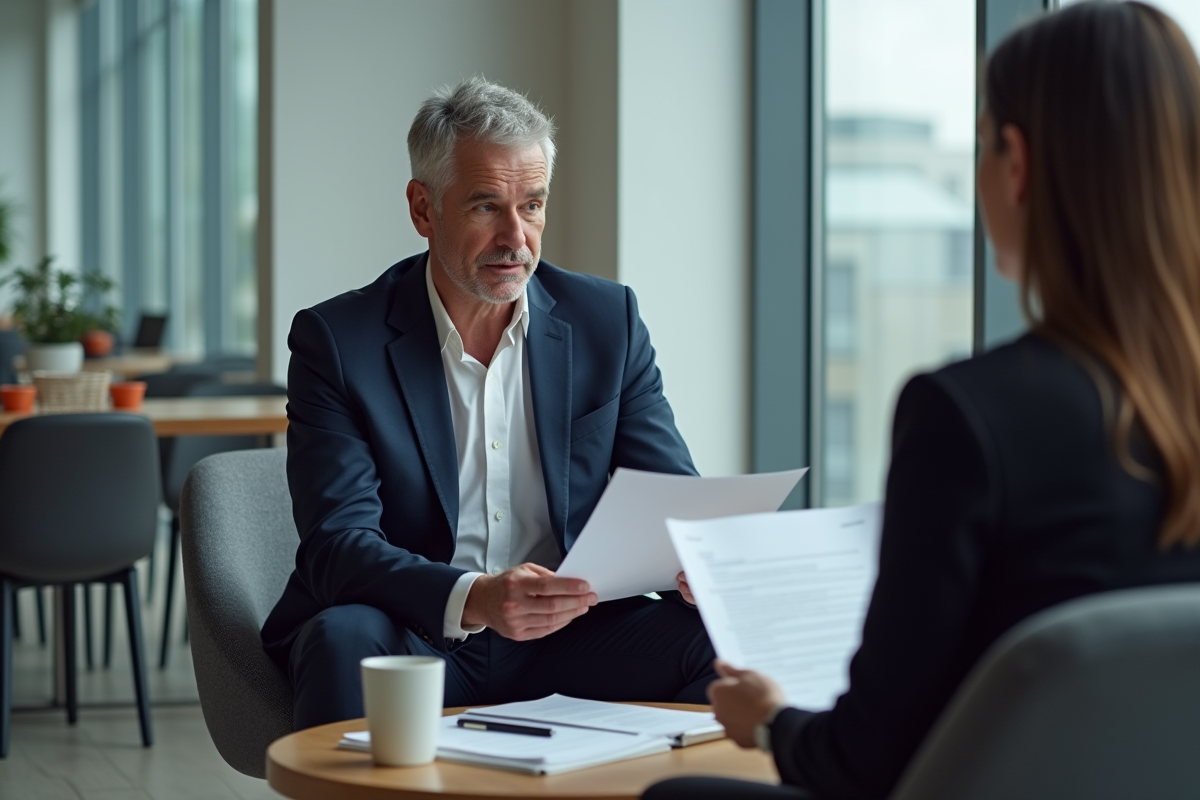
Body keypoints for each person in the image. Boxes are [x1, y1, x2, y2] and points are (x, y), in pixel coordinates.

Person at [647, 2, 1200, 798]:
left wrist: (771, 719)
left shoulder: (970, 417)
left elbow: (870, 760)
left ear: (1016, 162)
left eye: (980, 145)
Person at [261, 77, 715, 729]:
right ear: (423, 209)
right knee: (341, 639)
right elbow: (338, 544)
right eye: (485, 207)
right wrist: (477, 598)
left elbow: (668, 493)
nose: (516, 238)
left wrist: (695, 560)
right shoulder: (339, 341)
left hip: (576, 634)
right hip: (419, 632)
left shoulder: (606, 320)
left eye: (532, 206)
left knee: (721, 642)